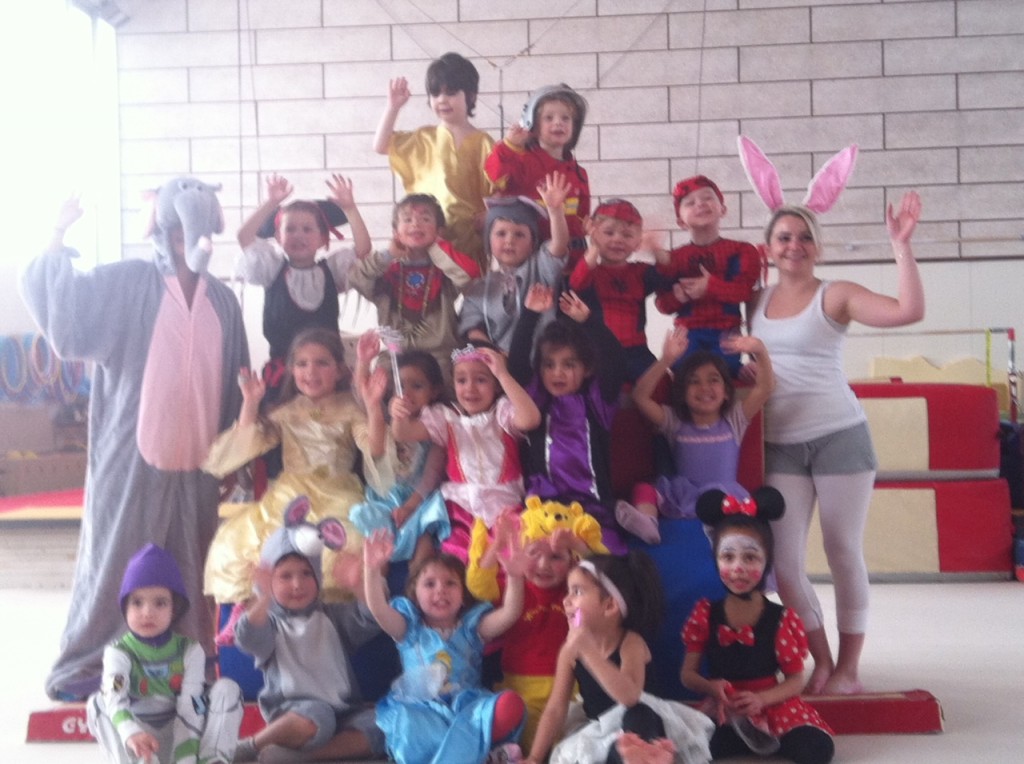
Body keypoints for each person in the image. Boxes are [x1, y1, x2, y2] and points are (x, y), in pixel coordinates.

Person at [21, 180, 248, 701]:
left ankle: (187, 663)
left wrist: (232, 453)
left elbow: (235, 379)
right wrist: (56, 236)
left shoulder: (222, 301)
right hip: (131, 453)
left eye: (194, 231)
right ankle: (92, 660)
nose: (185, 241)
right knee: (116, 556)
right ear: (164, 232)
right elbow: (68, 318)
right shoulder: (129, 283)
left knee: (192, 562)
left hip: (198, 459)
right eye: (177, 231)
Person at [749, 192, 925, 695]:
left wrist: (901, 247)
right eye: (784, 237)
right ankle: (821, 659)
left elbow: (908, 311)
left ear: (818, 248)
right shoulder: (753, 301)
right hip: (779, 443)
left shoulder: (836, 294)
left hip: (839, 436)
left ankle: (849, 667)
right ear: (768, 248)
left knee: (842, 550)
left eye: (805, 238)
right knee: (785, 565)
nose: (795, 245)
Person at [203, 327, 384, 608]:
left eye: (322, 363)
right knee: (248, 542)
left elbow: (374, 448)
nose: (311, 371)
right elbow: (247, 443)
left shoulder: (350, 409)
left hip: (338, 494)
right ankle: (258, 612)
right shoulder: (287, 411)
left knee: (341, 546)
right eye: (302, 363)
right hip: (289, 495)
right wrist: (250, 403)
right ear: (291, 370)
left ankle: (326, 614)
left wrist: (373, 408)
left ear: (339, 370)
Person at [681, 489, 835, 764]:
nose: (738, 567)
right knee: (690, 749)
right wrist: (710, 687)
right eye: (728, 557)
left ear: (766, 562)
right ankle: (742, 738)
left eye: (750, 557)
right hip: (725, 708)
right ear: (716, 560)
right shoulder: (705, 614)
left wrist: (762, 699)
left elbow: (795, 680)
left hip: (772, 704)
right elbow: (687, 675)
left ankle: (763, 737)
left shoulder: (781, 618)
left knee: (816, 750)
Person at [233, 500, 385, 763]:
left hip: (346, 711)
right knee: (317, 716)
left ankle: (303, 757)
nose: (297, 584)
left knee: (382, 727)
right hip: (295, 712)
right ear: (270, 581)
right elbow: (247, 637)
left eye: (306, 574)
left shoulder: (332, 616)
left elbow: (371, 617)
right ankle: (252, 746)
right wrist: (263, 597)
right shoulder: (271, 623)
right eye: (285, 576)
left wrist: (358, 585)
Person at [524, 552, 713, 764]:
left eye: (577, 592)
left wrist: (589, 652)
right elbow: (555, 709)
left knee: (639, 715)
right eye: (568, 592)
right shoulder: (570, 651)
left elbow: (630, 697)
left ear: (610, 606)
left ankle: (640, 755)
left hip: (642, 728)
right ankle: (626, 756)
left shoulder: (631, 643)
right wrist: (534, 757)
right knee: (594, 752)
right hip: (599, 733)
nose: (566, 600)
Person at [363, 529, 528, 764]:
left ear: (463, 595)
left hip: (468, 709)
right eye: (430, 584)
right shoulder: (408, 629)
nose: (440, 589)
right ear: (414, 593)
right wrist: (371, 570)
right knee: (410, 723)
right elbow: (379, 610)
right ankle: (477, 755)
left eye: (450, 583)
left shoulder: (473, 629)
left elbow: (510, 613)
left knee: (510, 704)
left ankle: (469, 753)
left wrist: (515, 577)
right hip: (422, 711)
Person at [467, 498, 608, 750]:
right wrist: (498, 544)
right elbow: (478, 585)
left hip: (571, 688)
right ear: (520, 552)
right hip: (522, 689)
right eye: (533, 553)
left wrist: (578, 544)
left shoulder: (575, 590)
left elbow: (609, 576)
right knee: (530, 743)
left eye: (556, 557)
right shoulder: (513, 586)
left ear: (572, 561)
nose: (544, 565)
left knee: (576, 746)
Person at [87, 543, 243, 764]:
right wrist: (131, 733)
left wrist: (185, 759)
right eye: (137, 602)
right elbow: (115, 695)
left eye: (160, 603)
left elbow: (191, 704)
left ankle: (211, 759)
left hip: (185, 731)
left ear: (174, 608)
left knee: (226, 690)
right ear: (125, 607)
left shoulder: (190, 650)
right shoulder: (118, 653)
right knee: (98, 702)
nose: (147, 612)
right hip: (139, 737)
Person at [622, 326, 775, 544]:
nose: (704, 388)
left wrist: (759, 350)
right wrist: (666, 360)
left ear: (726, 392)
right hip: (684, 495)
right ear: (682, 393)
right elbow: (640, 396)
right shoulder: (674, 421)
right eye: (694, 381)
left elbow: (766, 388)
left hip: (723, 498)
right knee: (643, 489)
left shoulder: (734, 420)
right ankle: (648, 523)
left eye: (713, 380)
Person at [391, 341, 541, 562]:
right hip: (460, 508)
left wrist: (503, 375)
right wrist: (398, 414)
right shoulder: (446, 417)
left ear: (496, 384)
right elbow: (404, 433)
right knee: (455, 554)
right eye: (461, 380)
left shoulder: (502, 414)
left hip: (504, 507)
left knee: (508, 556)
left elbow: (531, 419)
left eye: (481, 380)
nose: (470, 388)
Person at [508, 284, 629, 554]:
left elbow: (615, 362)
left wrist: (589, 322)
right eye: (549, 365)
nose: (557, 373)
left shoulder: (597, 403)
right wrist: (529, 315)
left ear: (587, 369)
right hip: (545, 508)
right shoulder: (537, 401)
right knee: (533, 552)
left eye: (569, 364)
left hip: (591, 511)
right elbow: (516, 365)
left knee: (607, 557)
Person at [235, 172, 370, 406]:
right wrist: (270, 203)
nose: (299, 235)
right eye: (290, 229)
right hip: (282, 376)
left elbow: (363, 250)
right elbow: (244, 237)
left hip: (326, 377)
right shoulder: (271, 270)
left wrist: (350, 208)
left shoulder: (332, 271)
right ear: (278, 237)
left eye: (307, 229)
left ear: (323, 238)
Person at [373, 52, 494, 270]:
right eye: (435, 93)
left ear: (471, 95)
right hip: (424, 239)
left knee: (468, 286)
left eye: (451, 92)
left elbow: (499, 190)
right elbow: (381, 145)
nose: (442, 100)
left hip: (468, 241)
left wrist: (490, 214)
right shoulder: (423, 138)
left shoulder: (484, 142)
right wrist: (393, 107)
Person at [348, 193, 481, 384]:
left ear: (439, 231)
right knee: (378, 386)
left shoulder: (444, 269)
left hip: (440, 356)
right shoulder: (386, 270)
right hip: (396, 355)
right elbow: (357, 278)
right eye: (407, 219)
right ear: (396, 231)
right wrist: (388, 254)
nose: (416, 224)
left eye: (425, 219)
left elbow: (468, 276)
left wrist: (435, 246)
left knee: (450, 385)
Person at [349, 331, 451, 569]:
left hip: (419, 500)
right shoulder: (384, 423)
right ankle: (377, 586)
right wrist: (363, 361)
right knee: (375, 542)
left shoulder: (437, 426)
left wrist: (410, 506)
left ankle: (417, 586)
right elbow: (365, 397)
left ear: (435, 390)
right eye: (400, 386)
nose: (406, 394)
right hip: (385, 498)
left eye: (417, 386)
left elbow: (431, 476)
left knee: (424, 542)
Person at [654, 175, 761, 376]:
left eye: (707, 198)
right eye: (690, 202)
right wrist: (678, 297)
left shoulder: (742, 251)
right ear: (680, 221)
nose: (700, 204)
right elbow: (662, 305)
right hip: (686, 335)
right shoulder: (673, 259)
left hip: (726, 334)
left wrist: (710, 286)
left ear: (723, 208)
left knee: (724, 371)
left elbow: (744, 292)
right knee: (685, 371)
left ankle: (738, 370)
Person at [459, 172, 571, 352]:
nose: (509, 241)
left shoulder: (541, 268)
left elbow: (559, 245)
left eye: (519, 234)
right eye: (501, 234)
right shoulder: (479, 287)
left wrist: (555, 211)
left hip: (541, 358)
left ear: (533, 243)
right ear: (488, 240)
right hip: (497, 360)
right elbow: (472, 327)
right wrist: (492, 354)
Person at [567, 198, 675, 382]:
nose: (617, 239)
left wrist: (655, 248)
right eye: (608, 233)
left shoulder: (640, 272)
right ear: (594, 235)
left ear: (637, 242)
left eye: (627, 235)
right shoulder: (592, 272)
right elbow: (577, 282)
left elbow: (669, 274)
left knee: (661, 382)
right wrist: (594, 246)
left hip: (637, 350)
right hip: (599, 349)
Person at [485, 83, 591, 265]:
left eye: (565, 118)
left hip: (569, 262)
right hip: (528, 264)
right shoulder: (521, 162)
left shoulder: (579, 174)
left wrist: (588, 227)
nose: (558, 122)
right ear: (532, 124)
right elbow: (496, 176)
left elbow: (582, 216)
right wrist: (508, 146)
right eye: (549, 118)